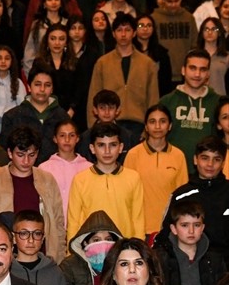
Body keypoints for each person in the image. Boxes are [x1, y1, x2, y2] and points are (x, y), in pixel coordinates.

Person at [0, 125, 67, 263]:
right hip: (5, 256)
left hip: (43, 256)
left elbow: (58, 224)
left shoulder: (47, 180)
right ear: (10, 153)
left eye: (31, 155)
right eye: (20, 155)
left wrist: (59, 259)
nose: (26, 161)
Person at [87, 13, 159, 145]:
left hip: (139, 125)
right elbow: (93, 96)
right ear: (113, 34)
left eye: (127, 30)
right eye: (119, 30)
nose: (123, 34)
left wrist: (149, 130)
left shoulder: (147, 63)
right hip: (109, 124)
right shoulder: (102, 63)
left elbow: (153, 99)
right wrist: (93, 128)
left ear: (134, 33)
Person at [66, 122, 146, 241]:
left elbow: (138, 220)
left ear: (121, 147)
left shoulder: (133, 177)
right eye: (101, 145)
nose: (107, 151)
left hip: (123, 246)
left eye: (113, 145)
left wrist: (138, 247)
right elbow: (73, 222)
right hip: (91, 247)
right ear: (92, 148)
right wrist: (72, 250)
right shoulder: (80, 180)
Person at [122, 104, 189, 237]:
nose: (157, 126)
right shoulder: (133, 154)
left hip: (169, 228)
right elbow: (126, 194)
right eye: (152, 121)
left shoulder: (178, 155)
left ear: (170, 126)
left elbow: (182, 196)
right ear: (146, 127)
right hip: (139, 227)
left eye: (162, 121)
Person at [157, 137, 229, 256]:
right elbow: (166, 234)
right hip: (191, 262)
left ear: (223, 163)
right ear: (195, 159)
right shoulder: (180, 195)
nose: (210, 164)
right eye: (205, 158)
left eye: (216, 159)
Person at [155, 200, 226, 285]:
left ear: (202, 228)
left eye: (196, 225)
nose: (191, 231)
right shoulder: (161, 259)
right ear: (173, 229)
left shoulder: (215, 259)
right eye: (185, 225)